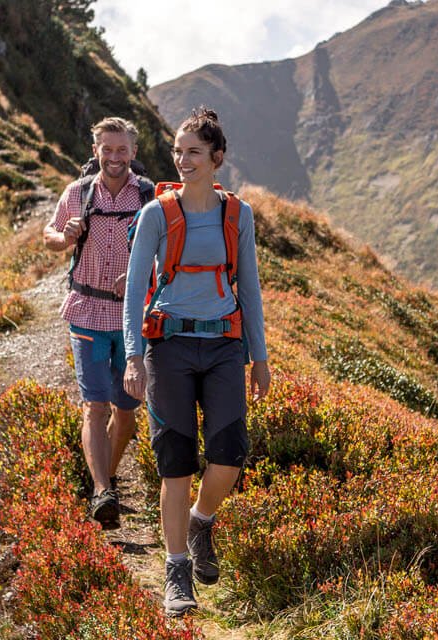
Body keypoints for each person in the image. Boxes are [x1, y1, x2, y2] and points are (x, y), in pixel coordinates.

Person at [122, 107, 270, 617]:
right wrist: (133, 357)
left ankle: (202, 520)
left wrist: (260, 358)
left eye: (194, 152)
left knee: (230, 453)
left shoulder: (239, 215)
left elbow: (248, 288)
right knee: (177, 464)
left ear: (217, 158)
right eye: (178, 152)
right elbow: (136, 289)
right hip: (170, 347)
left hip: (226, 346)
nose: (183, 160)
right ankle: (177, 571)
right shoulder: (156, 215)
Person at [42, 117, 155, 531]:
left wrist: (147, 275)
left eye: (121, 149)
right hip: (87, 312)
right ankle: (103, 490)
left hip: (131, 319)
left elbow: (167, 249)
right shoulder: (77, 194)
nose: (114, 157)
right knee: (95, 406)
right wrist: (66, 237)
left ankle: (99, 480)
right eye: (107, 149)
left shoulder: (148, 197)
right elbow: (49, 235)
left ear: (133, 153)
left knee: (126, 411)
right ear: (96, 151)